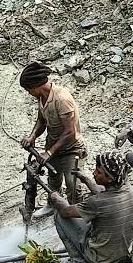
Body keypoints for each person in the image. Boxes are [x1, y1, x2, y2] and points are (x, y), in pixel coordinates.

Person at [48, 151, 133, 263]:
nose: (94, 173)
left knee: (59, 215)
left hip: (101, 257)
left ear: (109, 178)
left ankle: (78, 260)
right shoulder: (130, 190)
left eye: (98, 172)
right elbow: (102, 191)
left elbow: (66, 211)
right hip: (124, 250)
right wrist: (85, 179)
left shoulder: (97, 203)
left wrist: (55, 196)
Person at [19, 61, 90, 205]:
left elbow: (70, 132)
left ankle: (77, 215)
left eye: (28, 89)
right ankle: (53, 206)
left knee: (73, 184)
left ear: (35, 86)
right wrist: (33, 136)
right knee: (53, 180)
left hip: (72, 149)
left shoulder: (62, 99)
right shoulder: (42, 97)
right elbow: (41, 120)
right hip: (54, 146)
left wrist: (49, 153)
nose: (28, 93)